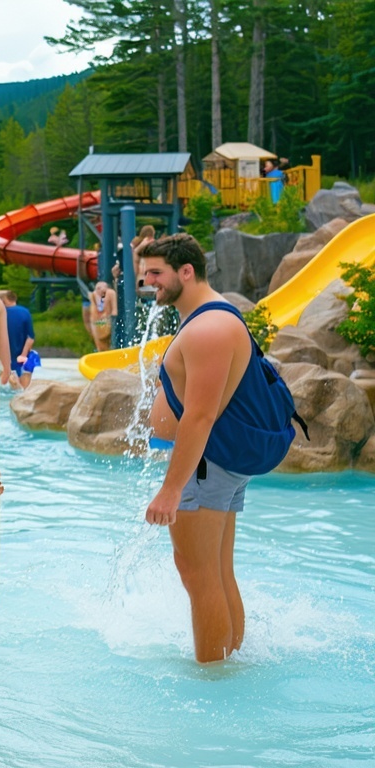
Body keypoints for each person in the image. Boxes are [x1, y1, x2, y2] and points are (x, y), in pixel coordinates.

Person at [141, 233, 288, 664]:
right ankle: (229, 662)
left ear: (186, 271)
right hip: (215, 462)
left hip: (207, 464)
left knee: (198, 572)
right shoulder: (210, 317)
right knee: (216, 570)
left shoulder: (209, 328)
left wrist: (171, 489)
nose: (149, 282)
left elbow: (201, 416)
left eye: (156, 274)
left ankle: (214, 677)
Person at [0, 290, 38, 390]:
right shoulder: (25, 312)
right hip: (24, 358)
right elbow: (30, 338)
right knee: (24, 391)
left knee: (9, 388)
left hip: (6, 359)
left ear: (3, 301)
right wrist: (23, 355)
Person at [90, 280, 118, 352]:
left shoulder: (110, 293)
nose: (99, 290)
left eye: (101, 288)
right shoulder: (94, 295)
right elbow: (93, 313)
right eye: (97, 288)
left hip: (108, 320)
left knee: (109, 341)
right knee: (100, 342)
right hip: (98, 322)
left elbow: (114, 310)